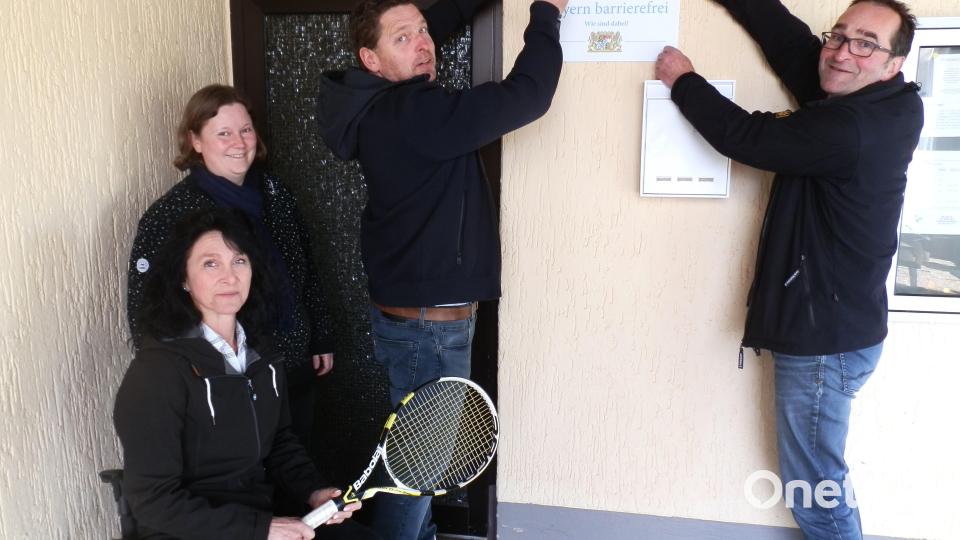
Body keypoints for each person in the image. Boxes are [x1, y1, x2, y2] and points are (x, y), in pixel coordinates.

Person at [655, 1, 922, 538]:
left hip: (824, 342)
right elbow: (798, 50)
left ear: (894, 62)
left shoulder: (850, 127)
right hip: (843, 329)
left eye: (866, 43)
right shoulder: (889, 102)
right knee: (818, 482)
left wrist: (683, 81)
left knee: (817, 494)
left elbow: (747, 138)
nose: (844, 53)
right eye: (839, 37)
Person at [316, 0, 566, 537]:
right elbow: (530, 95)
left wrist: (431, 24)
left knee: (419, 463)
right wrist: (547, 12)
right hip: (429, 330)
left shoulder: (375, 106)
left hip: (417, 321)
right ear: (371, 60)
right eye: (403, 38)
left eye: (424, 31)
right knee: (418, 470)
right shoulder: (415, 113)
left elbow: (424, 36)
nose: (424, 42)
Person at [114, 208, 377, 540]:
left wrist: (313, 492)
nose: (230, 276)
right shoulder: (157, 371)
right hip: (188, 531)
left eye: (239, 261)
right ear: (183, 278)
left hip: (256, 517)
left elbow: (280, 443)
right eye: (210, 264)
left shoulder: (261, 353)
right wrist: (260, 530)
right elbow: (153, 501)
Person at [126, 85, 333, 459]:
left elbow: (305, 267)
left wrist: (318, 336)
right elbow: (148, 314)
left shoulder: (274, 193)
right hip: (228, 383)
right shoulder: (172, 215)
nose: (239, 142)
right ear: (196, 141)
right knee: (249, 483)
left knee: (295, 469)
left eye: (246, 129)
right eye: (223, 133)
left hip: (291, 365)